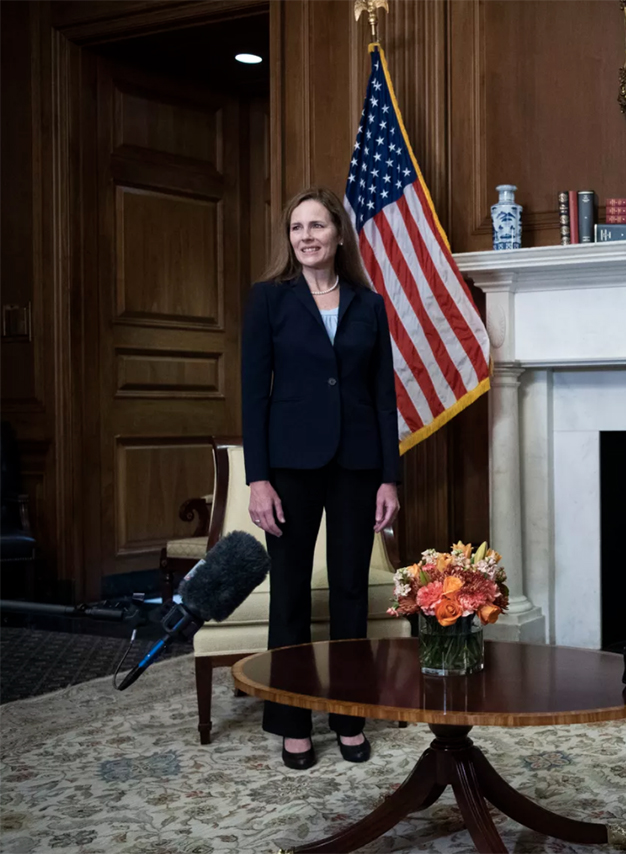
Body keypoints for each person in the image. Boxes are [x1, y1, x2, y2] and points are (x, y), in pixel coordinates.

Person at [241, 186, 401, 770]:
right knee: (288, 595)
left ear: (338, 234)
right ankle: (291, 720)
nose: (305, 236)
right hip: (289, 466)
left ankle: (350, 716)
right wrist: (257, 479)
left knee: (351, 595)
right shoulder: (268, 301)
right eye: (296, 228)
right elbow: (253, 396)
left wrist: (390, 478)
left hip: (358, 465)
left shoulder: (369, 304)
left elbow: (384, 398)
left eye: (316, 226)